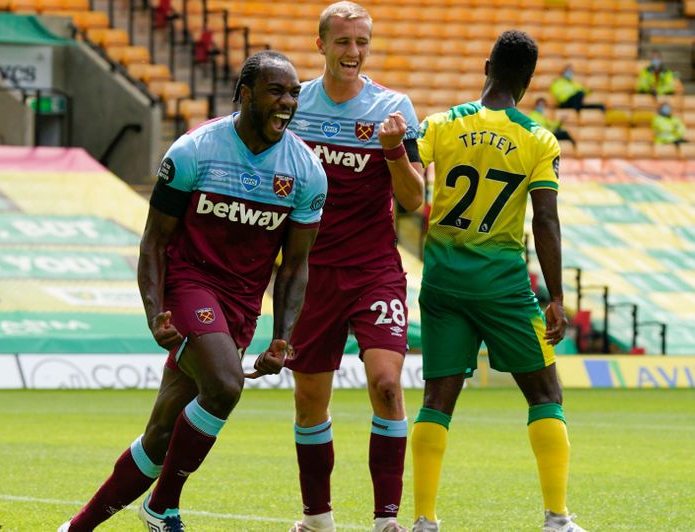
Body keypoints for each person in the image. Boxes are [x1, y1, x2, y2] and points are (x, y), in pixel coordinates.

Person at [60, 50, 328, 531]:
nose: (288, 102)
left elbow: (295, 267)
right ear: (245, 95)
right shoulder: (194, 152)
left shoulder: (306, 171)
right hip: (190, 287)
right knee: (226, 385)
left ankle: (75, 529)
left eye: (294, 93)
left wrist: (282, 337)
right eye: (276, 91)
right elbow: (155, 241)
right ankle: (162, 507)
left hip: (241, 308)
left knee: (162, 433)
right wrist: (153, 310)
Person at [410, 31, 583, 532]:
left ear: (487, 66)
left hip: (441, 280)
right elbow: (545, 222)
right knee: (546, 392)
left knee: (437, 400)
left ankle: (424, 520)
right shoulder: (537, 138)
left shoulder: (441, 123)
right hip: (503, 286)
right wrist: (557, 298)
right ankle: (556, 518)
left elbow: (401, 169)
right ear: (527, 82)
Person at [281, 3, 425, 531]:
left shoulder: (392, 108)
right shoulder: (294, 106)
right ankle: (317, 520)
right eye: (343, 42)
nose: (354, 52)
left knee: (387, 384)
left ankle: (386, 520)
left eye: (362, 41)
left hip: (373, 270)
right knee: (309, 401)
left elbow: (413, 200)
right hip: (312, 273)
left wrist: (392, 153)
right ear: (321, 45)